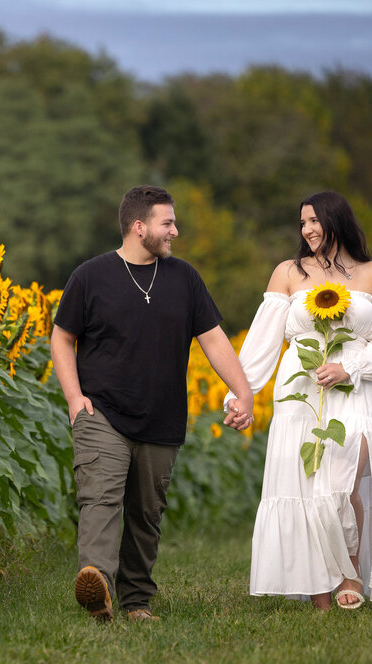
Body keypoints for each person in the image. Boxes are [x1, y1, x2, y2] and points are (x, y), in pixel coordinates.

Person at [50, 185, 254, 623]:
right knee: (100, 500)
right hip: (101, 413)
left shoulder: (184, 278)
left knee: (146, 515)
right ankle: (97, 585)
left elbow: (214, 339)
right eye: (168, 223)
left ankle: (136, 601)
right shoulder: (90, 276)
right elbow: (62, 336)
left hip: (162, 417)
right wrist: (74, 398)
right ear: (139, 227)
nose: (175, 231)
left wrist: (244, 391)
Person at [223, 190, 372, 610]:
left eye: (314, 221)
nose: (307, 230)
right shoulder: (289, 272)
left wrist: (351, 369)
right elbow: (263, 342)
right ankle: (323, 589)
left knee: (343, 481)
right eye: (302, 223)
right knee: (305, 487)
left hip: (354, 389)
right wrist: (241, 395)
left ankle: (351, 571)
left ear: (336, 220)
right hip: (299, 391)